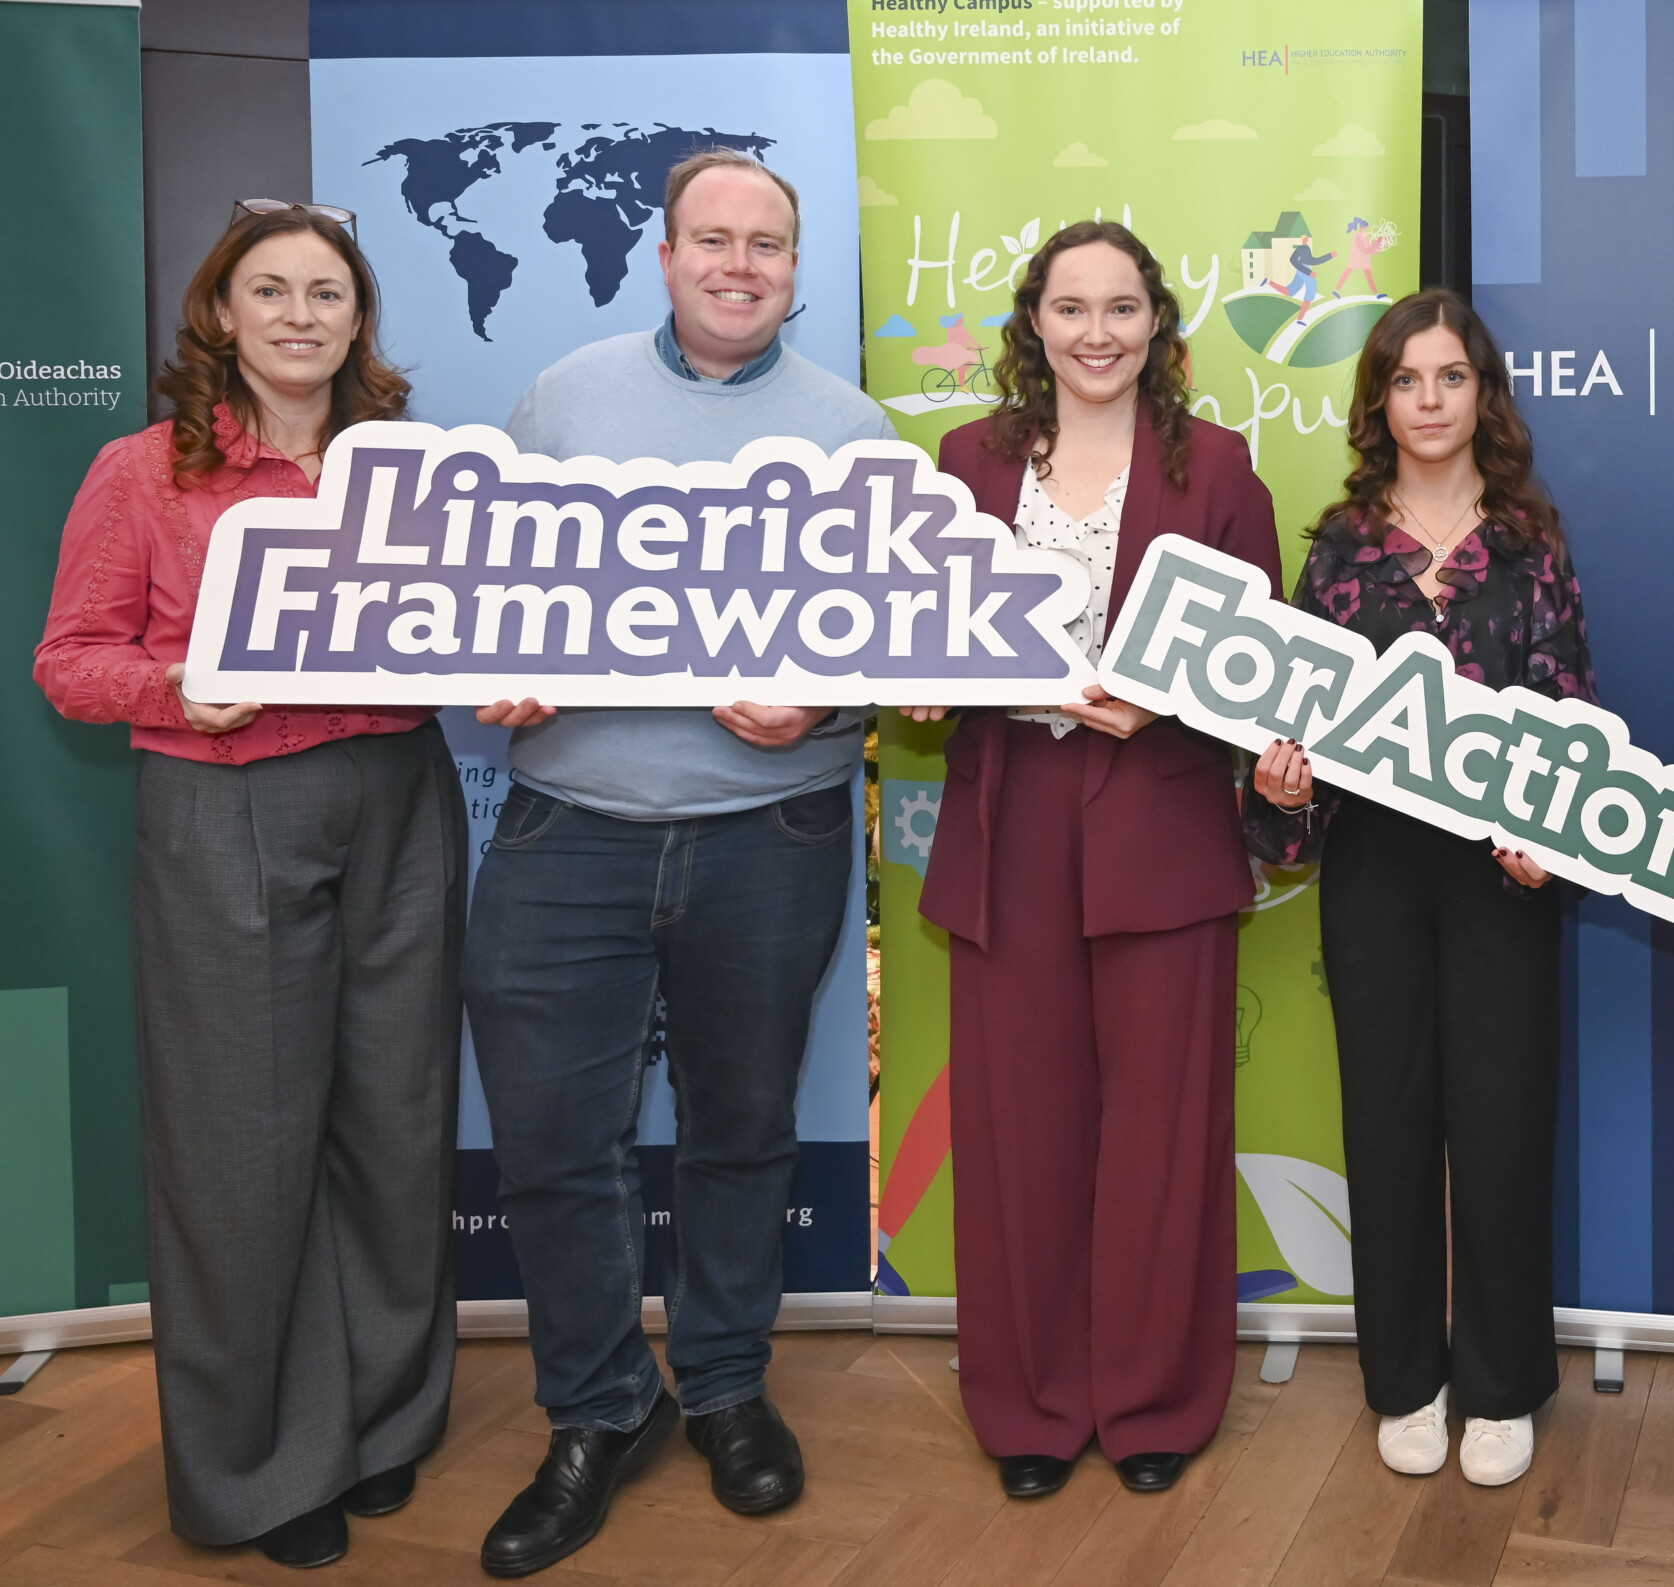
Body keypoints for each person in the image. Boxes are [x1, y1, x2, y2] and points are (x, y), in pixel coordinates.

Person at [461, 149, 895, 1577]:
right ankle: (598, 1406)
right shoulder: (562, 399)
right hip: (565, 827)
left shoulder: (855, 433)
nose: (739, 264)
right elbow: (478, 594)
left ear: (794, 267)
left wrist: (823, 703)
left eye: (767, 244)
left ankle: (721, 1381)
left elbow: (904, 648)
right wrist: (497, 665)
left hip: (769, 830)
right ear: (663, 252)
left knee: (741, 1125)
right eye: (713, 238)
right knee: (550, 1142)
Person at [34, 203, 460, 1571]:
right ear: (219, 313)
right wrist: (177, 685)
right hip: (228, 808)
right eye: (266, 290)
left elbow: (461, 631)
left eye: (325, 293)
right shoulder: (143, 470)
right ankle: (263, 1467)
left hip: (401, 796)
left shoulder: (405, 469)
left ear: (357, 320)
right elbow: (69, 658)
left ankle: (385, 1420)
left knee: (395, 1128)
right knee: (241, 1152)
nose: (297, 314)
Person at [904, 220, 1282, 1501]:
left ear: (1157, 327)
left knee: (1165, 1135)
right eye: (1072, 309)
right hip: (1010, 819)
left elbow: (1261, 675)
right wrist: (921, 691)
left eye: (1122, 308)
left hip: (1161, 828)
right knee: (1020, 1132)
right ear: (1034, 326)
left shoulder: (1222, 469)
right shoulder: (964, 462)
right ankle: (1028, 1406)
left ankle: (1155, 1400)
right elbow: (925, 645)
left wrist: (1170, 702)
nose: (1098, 332)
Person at [1247, 288, 1591, 1487]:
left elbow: (1568, 708)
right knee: (1386, 1124)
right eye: (1407, 379)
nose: (1430, 400)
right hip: (1376, 871)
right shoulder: (1339, 544)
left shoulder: (1529, 540)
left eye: (1452, 377)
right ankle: (1405, 1377)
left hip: (1502, 877)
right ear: (1378, 398)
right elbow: (1287, 719)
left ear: (1480, 394)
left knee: (1501, 1128)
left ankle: (1500, 1385)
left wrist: (1553, 830)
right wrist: (1284, 790)